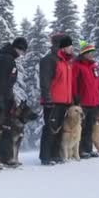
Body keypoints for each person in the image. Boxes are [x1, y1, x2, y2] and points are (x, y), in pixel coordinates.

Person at [0, 37, 28, 166]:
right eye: (22, 51)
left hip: (5, 99)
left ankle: (3, 157)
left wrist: (11, 99)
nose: (22, 54)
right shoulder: (6, 60)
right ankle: (0, 159)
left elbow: (7, 84)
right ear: (18, 48)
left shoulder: (9, 59)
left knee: (6, 128)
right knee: (2, 129)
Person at [39, 34, 74, 166]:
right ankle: (45, 156)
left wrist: (70, 99)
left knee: (59, 129)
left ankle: (55, 154)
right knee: (50, 128)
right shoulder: (49, 60)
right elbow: (45, 81)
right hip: (52, 101)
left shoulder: (66, 62)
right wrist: (47, 98)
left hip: (64, 101)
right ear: (62, 47)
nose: (72, 48)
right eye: (69, 46)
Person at [72, 41, 99, 158]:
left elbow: (98, 83)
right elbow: (74, 82)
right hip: (83, 101)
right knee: (82, 127)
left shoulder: (95, 66)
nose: (91, 55)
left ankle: (89, 148)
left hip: (94, 101)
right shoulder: (77, 65)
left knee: (91, 127)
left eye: (93, 52)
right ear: (83, 54)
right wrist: (76, 97)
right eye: (89, 52)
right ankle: (81, 150)